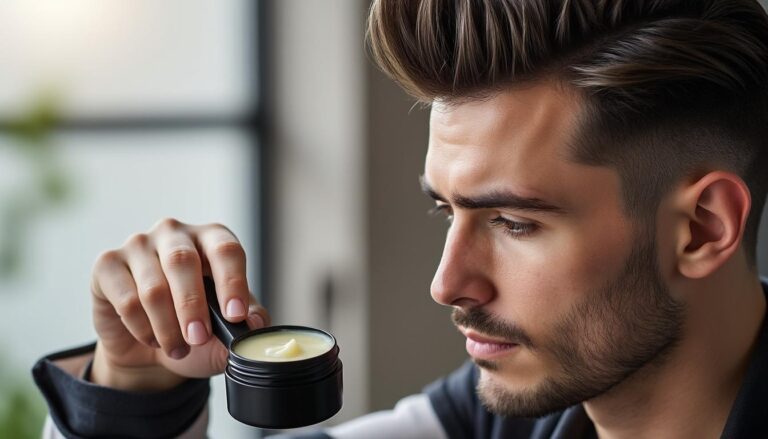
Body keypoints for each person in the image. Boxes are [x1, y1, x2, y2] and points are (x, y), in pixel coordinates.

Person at [33, 0, 768, 437]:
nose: (447, 283)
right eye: (444, 208)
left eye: (515, 222)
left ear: (700, 229)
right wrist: (132, 384)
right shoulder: (492, 420)